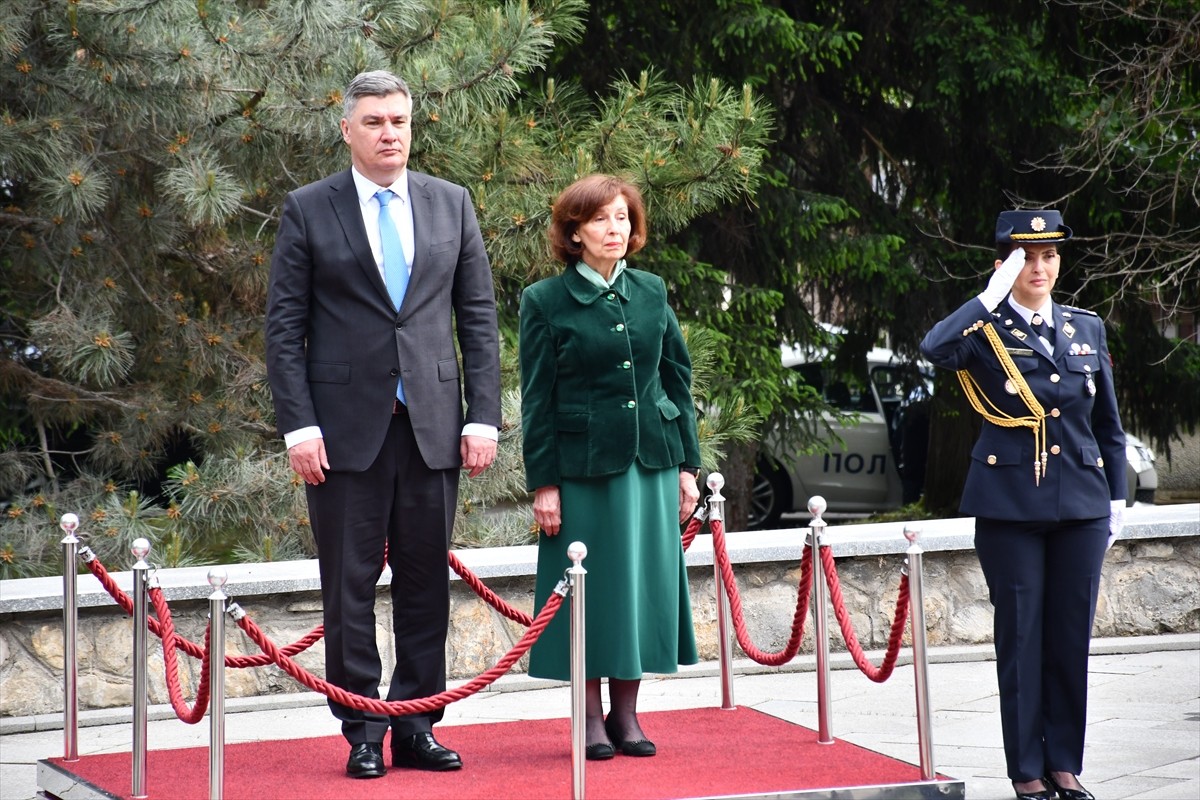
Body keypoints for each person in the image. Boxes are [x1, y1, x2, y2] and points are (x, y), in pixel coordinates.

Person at [265, 70, 501, 779]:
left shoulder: (450, 203)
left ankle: (417, 726)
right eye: (373, 121)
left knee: (427, 583)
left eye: (398, 120)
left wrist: (484, 414)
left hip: (433, 425)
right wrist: (298, 428)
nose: (389, 132)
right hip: (341, 434)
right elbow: (284, 329)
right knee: (350, 586)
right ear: (347, 130)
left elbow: (478, 319)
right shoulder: (309, 208)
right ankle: (363, 729)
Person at [920, 209, 1127, 800]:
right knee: (1021, 640)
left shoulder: (1085, 328)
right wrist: (987, 297)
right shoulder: (982, 331)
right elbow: (933, 348)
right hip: (1010, 508)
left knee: (1069, 640)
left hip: (1082, 508)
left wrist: (1117, 499)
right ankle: (1028, 774)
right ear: (1004, 264)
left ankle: (1064, 764)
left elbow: (1108, 426)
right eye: (1025, 258)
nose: (1039, 267)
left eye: (1049, 256)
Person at [519, 174, 702, 760]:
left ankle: (628, 716)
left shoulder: (652, 291)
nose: (613, 229)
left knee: (641, 590)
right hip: (582, 472)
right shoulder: (543, 301)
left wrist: (687, 467)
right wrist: (544, 483)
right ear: (574, 232)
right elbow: (537, 400)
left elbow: (677, 377)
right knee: (591, 595)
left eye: (621, 217)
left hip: (651, 463)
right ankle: (591, 718)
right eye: (599, 219)